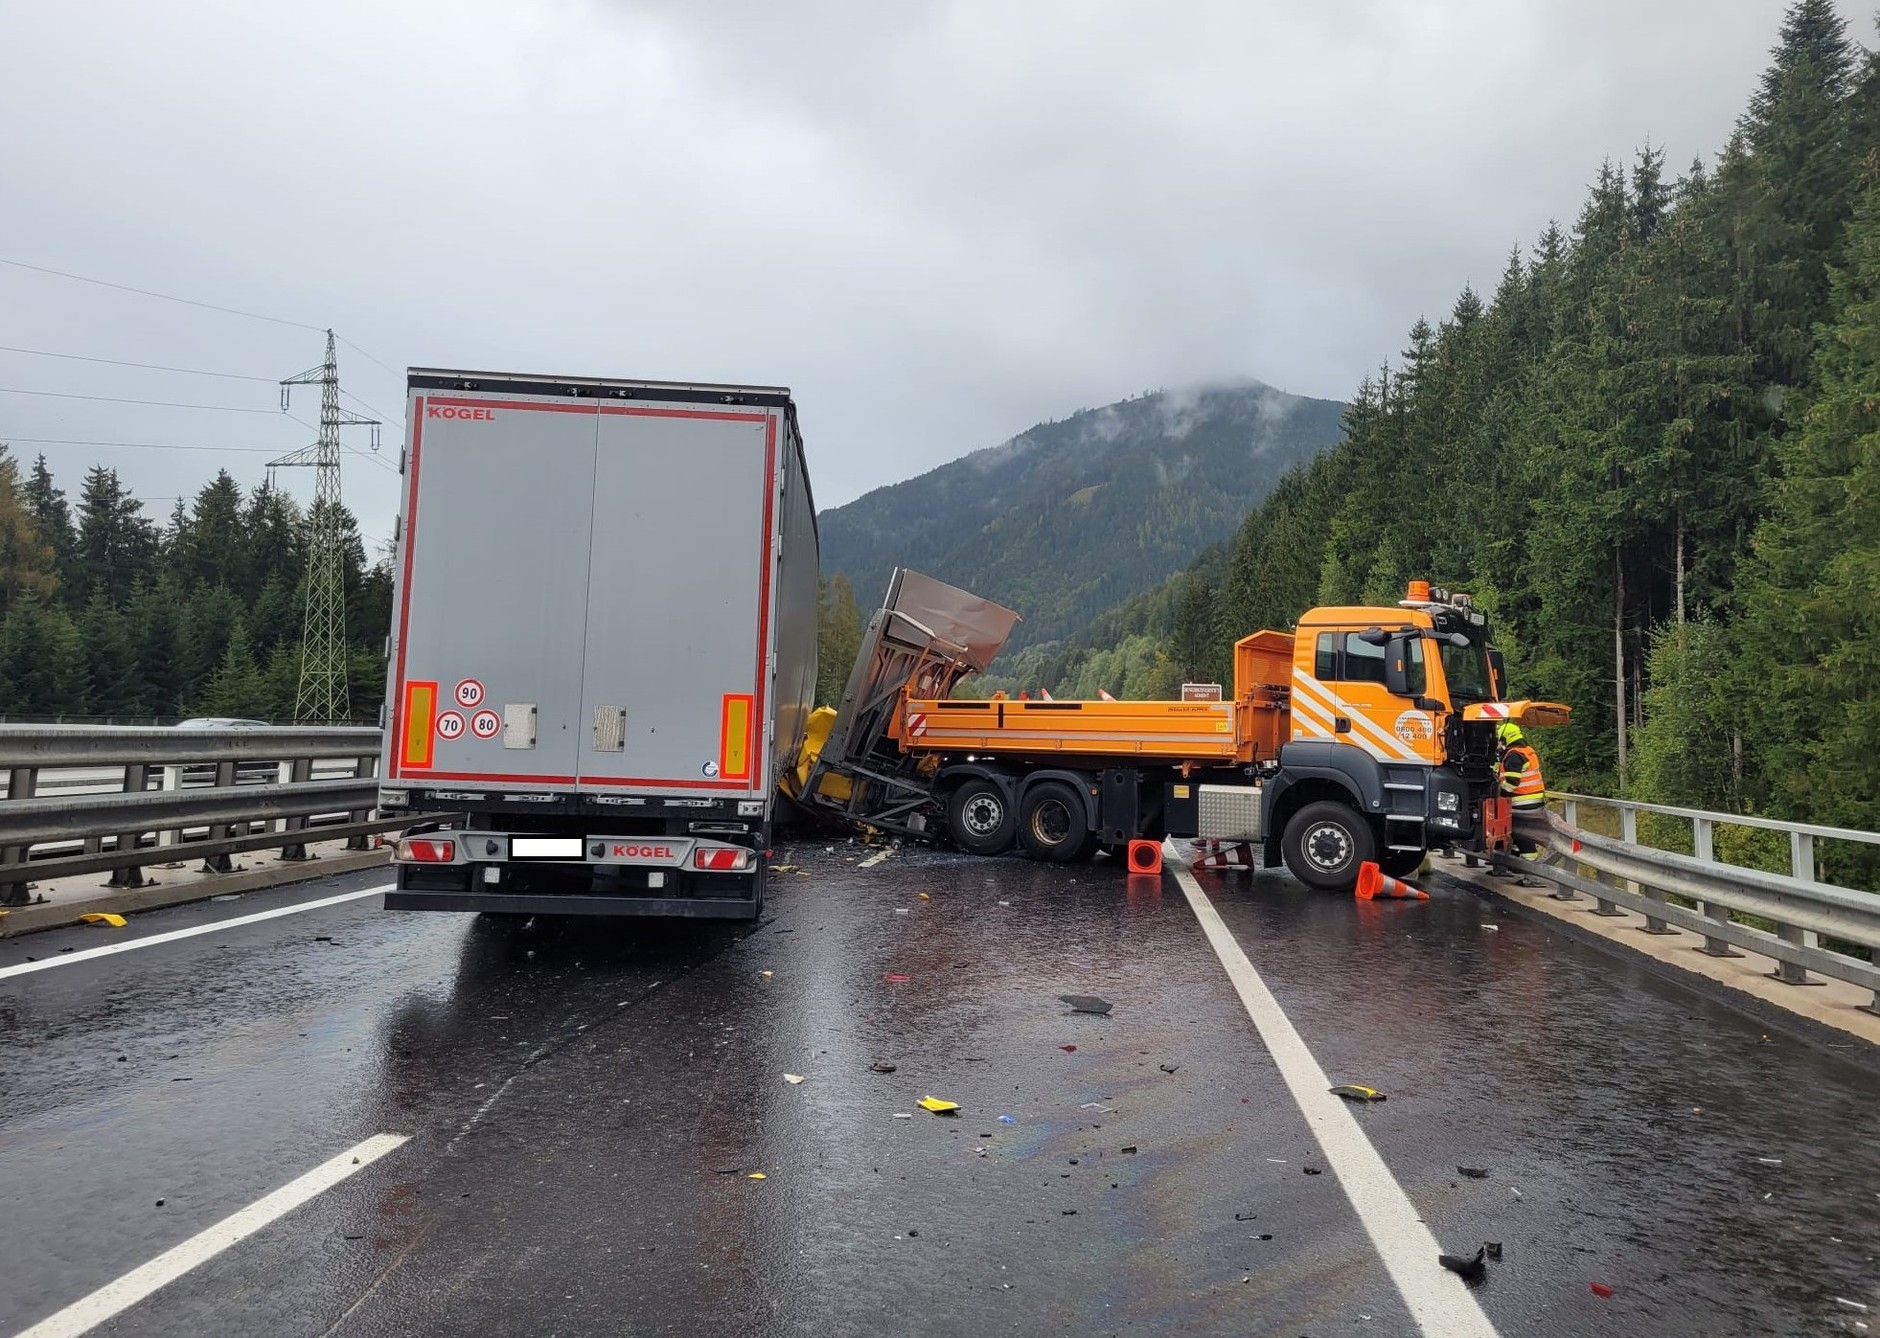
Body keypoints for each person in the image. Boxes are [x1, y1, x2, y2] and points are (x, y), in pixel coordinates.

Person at [1497, 721, 1548, 852]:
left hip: (1521, 802)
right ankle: (1522, 861)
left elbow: (1511, 785)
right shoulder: (1528, 750)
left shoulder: (1513, 755)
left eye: (1500, 740)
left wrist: (1497, 793)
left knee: (1519, 833)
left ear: (1505, 738)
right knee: (1525, 835)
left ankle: (1525, 862)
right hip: (1536, 801)